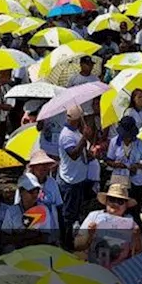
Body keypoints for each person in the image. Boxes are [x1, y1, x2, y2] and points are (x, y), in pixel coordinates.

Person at [77, 182, 142, 269]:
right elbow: (78, 245)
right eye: (112, 199)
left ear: (126, 205)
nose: (115, 204)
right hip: (93, 267)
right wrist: (89, 234)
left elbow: (137, 251)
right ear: (106, 201)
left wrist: (137, 236)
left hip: (118, 271)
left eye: (120, 201)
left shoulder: (131, 223)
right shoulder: (94, 216)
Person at [57, 105, 91, 247]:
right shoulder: (66, 135)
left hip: (77, 178)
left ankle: (70, 239)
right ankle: (66, 242)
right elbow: (73, 155)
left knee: (74, 211)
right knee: (68, 214)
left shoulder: (75, 131)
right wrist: (84, 137)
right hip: (69, 180)